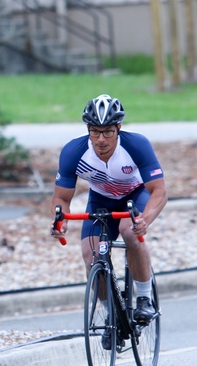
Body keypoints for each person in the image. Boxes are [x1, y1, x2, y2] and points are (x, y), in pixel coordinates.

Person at [51, 94, 168, 325]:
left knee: (129, 231)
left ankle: (144, 297)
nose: (101, 139)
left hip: (135, 195)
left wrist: (145, 219)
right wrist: (60, 220)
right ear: (88, 129)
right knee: (90, 255)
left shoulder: (136, 145)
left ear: (119, 128)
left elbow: (159, 191)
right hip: (101, 199)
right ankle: (110, 316)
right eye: (95, 131)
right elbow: (61, 197)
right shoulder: (73, 152)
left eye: (108, 131)